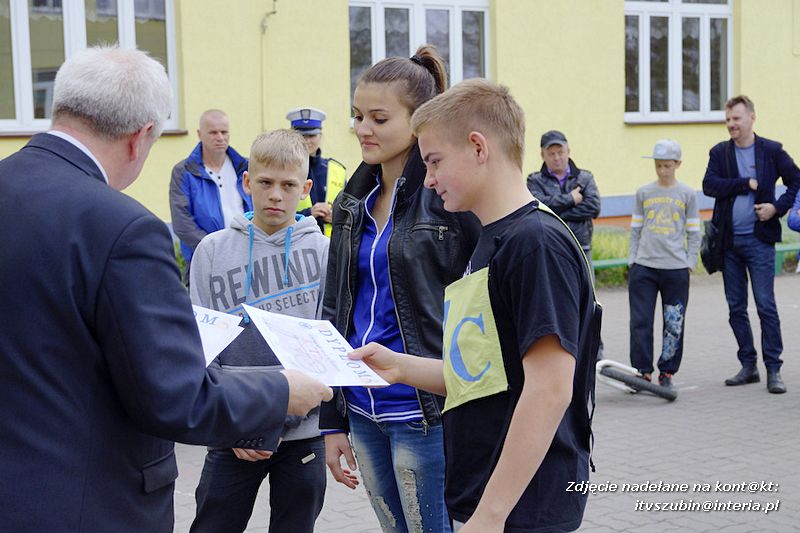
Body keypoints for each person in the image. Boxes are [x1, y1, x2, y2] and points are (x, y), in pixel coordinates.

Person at [0, 46, 331, 532]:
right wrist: (281, 390)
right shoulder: (123, 228)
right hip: (86, 503)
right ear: (140, 138)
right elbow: (174, 394)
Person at [350, 78, 601, 532]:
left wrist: (491, 513)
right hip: (486, 498)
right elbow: (482, 377)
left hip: (523, 509)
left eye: (435, 161)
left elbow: (549, 390)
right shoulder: (491, 240)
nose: (428, 179)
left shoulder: (534, 245)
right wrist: (400, 367)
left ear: (478, 147)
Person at [319, 45, 481, 533]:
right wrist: (332, 419)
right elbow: (335, 310)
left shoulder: (448, 202)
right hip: (362, 407)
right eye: (357, 115)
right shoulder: (353, 199)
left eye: (378, 118)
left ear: (417, 122)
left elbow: (481, 308)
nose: (362, 128)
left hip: (423, 409)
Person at [188, 129, 329, 533]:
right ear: (247, 181)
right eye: (265, 183)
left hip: (303, 432)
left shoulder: (322, 253)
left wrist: (273, 421)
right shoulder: (212, 251)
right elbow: (202, 347)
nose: (275, 195)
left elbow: (324, 344)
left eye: (288, 186)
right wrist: (235, 424)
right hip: (232, 432)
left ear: (305, 189)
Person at [702, 95, 800, 394]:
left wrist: (776, 207)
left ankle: (774, 369)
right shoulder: (720, 152)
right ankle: (748, 365)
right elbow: (709, 185)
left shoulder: (771, 150)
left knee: (766, 305)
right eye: (728, 119)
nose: (731, 124)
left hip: (760, 241)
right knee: (736, 307)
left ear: (751, 119)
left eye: (737, 119)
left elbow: (796, 179)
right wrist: (744, 183)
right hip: (729, 244)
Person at [627, 139, 701, 393]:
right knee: (641, 321)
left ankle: (667, 370)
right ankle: (642, 371)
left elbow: (694, 232)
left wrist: (690, 262)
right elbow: (636, 229)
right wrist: (632, 259)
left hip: (675, 269)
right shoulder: (644, 193)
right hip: (644, 267)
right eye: (658, 166)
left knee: (673, 322)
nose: (662, 170)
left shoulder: (687, 194)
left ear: (677, 164)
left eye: (667, 165)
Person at [169, 109, 251, 278]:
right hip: (204, 263)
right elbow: (182, 223)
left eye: (224, 132)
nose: (220, 137)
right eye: (213, 132)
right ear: (199, 134)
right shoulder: (183, 172)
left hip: (247, 259)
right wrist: (215, 249)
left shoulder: (246, 168)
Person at [527, 130, 601, 269]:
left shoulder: (585, 178)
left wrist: (556, 214)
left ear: (568, 151)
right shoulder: (534, 180)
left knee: (586, 290)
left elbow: (593, 207)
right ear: (543, 155)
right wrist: (570, 199)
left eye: (560, 152)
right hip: (548, 247)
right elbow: (536, 205)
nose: (556, 158)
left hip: (581, 247)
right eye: (551, 154)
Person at [287, 106, 347, 236]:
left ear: (320, 135)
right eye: (302, 136)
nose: (307, 141)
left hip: (332, 249)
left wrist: (336, 217)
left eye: (312, 135)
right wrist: (309, 214)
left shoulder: (337, 170)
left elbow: (351, 213)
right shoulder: (283, 169)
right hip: (296, 247)